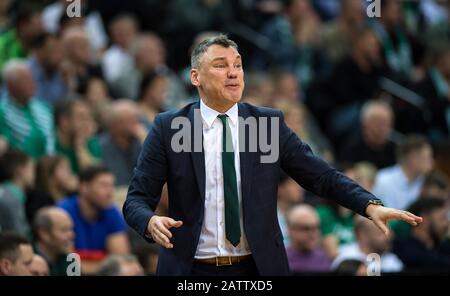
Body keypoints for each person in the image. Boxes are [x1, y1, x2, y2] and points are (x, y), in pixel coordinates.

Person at [123, 35, 423, 276]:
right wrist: (150, 222)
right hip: (190, 268)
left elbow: (321, 176)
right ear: (195, 77)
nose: (232, 73)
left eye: (238, 65)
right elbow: (136, 199)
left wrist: (369, 205)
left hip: (256, 268)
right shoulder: (171, 127)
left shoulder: (265, 124)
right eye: (220, 65)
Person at [58, 166, 130, 275]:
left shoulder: (112, 212)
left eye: (112, 185)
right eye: (104, 185)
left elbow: (121, 261)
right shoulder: (63, 212)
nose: (110, 191)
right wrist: (106, 265)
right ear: (84, 187)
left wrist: (86, 265)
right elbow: (70, 267)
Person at [373, 135, 434, 210]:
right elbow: (389, 218)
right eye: (427, 157)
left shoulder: (426, 181)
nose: (432, 162)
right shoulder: (384, 181)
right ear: (413, 158)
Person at [393, 198, 450, 272]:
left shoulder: (442, 249)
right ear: (423, 219)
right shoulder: (401, 246)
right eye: (442, 218)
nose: (447, 224)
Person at [331, 215, 403, 273]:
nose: (389, 237)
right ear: (362, 235)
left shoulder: (393, 261)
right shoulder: (345, 259)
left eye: (389, 232)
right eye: (381, 233)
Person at [286, 204, 331, 273]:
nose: (313, 234)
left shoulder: (323, 256)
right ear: (290, 230)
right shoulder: (282, 259)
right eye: (306, 229)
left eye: (316, 228)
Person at [33, 206, 75, 276]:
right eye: (64, 230)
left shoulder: (68, 257)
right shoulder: (28, 261)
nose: (72, 235)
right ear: (44, 234)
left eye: (71, 229)